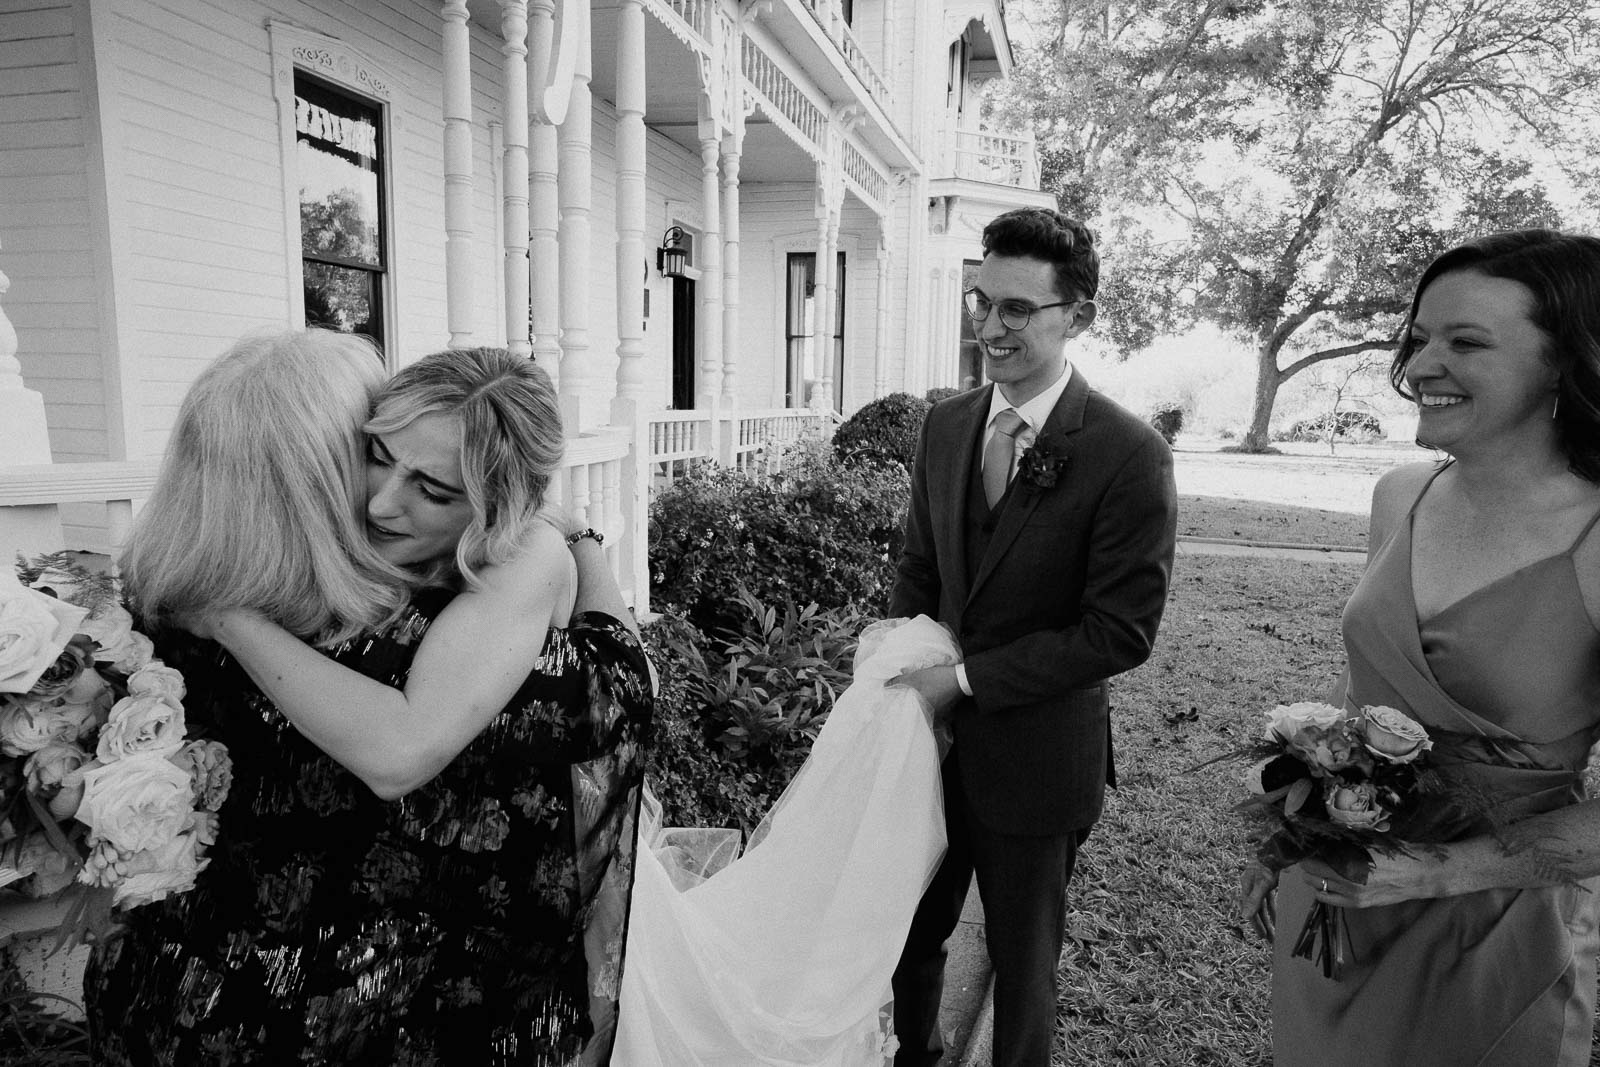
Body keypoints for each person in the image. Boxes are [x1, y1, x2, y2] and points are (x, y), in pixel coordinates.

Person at [84, 334, 651, 1066]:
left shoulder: (160, 602)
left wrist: (226, 615)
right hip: (347, 1017)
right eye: (377, 455)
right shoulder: (404, 628)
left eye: (433, 488)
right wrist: (582, 545)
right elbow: (624, 674)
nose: (383, 501)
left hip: (183, 995)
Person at [1240, 229, 1600, 1066]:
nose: (1419, 362)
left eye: (1465, 341)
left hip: (1492, 928)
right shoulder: (1401, 493)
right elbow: (1361, 692)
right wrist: (1288, 836)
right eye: (1420, 335)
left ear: (1563, 362)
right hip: (1338, 899)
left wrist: (1439, 871)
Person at [887, 206, 1179, 1066]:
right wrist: (897, 657)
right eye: (981, 301)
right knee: (908, 936)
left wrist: (967, 680)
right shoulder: (943, 426)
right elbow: (920, 566)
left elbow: (1120, 631)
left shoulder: (1128, 454)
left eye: (1018, 309)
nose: (990, 325)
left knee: (1023, 967)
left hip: (1039, 759)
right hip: (923, 748)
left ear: (1077, 317)